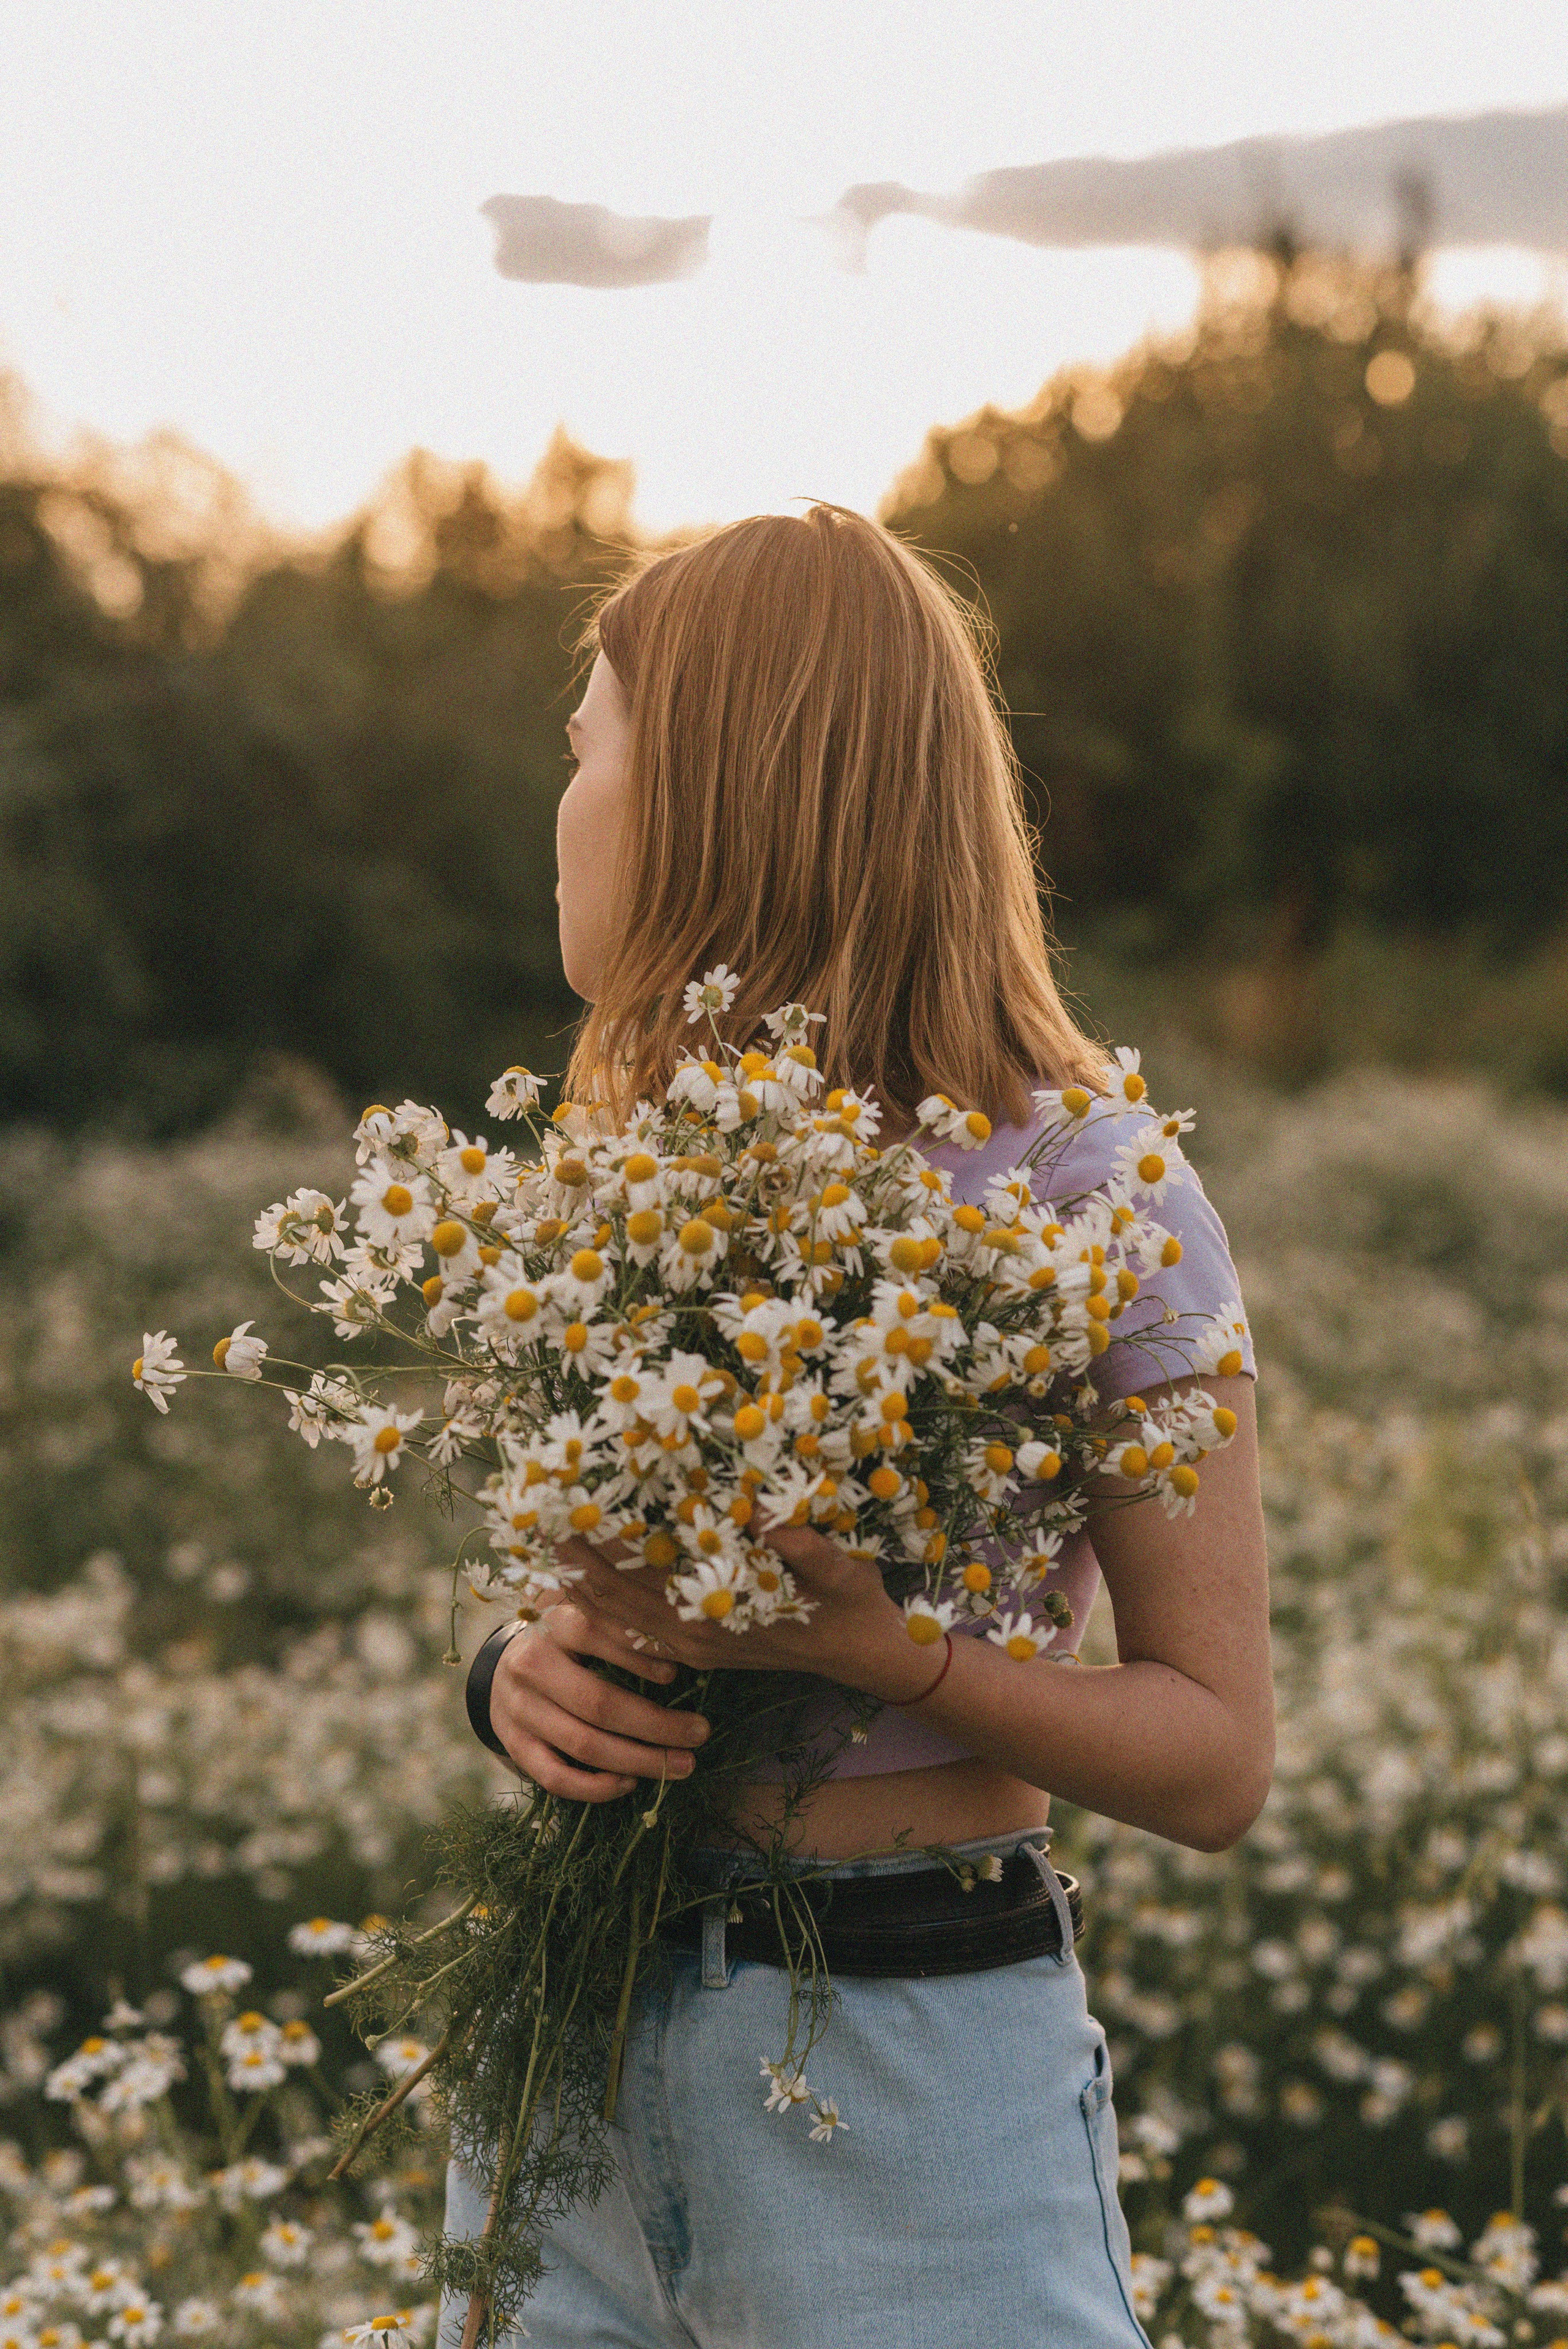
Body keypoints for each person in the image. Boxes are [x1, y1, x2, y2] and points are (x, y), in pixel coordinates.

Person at [443, 502, 1272, 2348]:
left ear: (719, 793)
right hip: (571, 2036)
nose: (560, 803)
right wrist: (512, 1673)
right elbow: (600, 1601)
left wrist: (891, 1654)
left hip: (904, 2073)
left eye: (586, 747)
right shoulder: (633, 1172)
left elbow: (1216, 1756)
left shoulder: (1088, 1189)